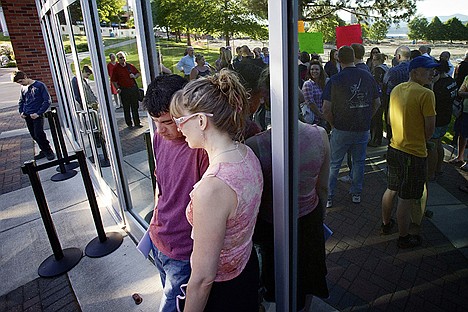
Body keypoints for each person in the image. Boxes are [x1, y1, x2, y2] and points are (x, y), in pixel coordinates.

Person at [169, 69, 263, 311]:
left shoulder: (212, 189)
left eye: (181, 120)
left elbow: (202, 280)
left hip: (224, 292)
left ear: (201, 121)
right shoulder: (246, 154)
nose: (179, 128)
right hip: (246, 269)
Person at [246, 68, 330, 312]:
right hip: (309, 218)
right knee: (308, 276)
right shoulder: (320, 135)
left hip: (272, 225)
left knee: (275, 278)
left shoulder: (255, 145)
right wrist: (319, 217)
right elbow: (323, 187)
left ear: (266, 98)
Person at [141, 74, 209, 312]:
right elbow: (161, 185)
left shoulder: (201, 148)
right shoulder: (159, 139)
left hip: (184, 251)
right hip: (158, 240)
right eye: (154, 121)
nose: (160, 130)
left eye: (168, 121)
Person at [380, 56, 438, 249]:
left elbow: (388, 118)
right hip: (414, 153)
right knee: (406, 197)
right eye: (428, 70)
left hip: (395, 148)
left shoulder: (397, 89)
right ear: (414, 72)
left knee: (391, 188)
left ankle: (386, 224)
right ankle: (403, 237)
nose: (432, 73)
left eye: (433, 70)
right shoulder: (426, 94)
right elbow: (429, 129)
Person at [322, 45, 381, 207]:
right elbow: (377, 102)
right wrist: (367, 118)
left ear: (338, 59)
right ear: (354, 57)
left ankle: (329, 196)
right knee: (359, 162)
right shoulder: (368, 77)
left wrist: (333, 124)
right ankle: (356, 192)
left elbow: (326, 109)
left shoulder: (334, 80)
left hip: (341, 128)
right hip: (362, 128)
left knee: (334, 164)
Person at [13, 71, 55, 161]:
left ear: (25, 77)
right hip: (27, 114)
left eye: (21, 81)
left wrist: (38, 113)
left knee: (39, 133)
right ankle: (43, 150)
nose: (21, 84)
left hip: (36, 115)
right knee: (34, 135)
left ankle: (48, 151)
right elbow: (22, 101)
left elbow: (47, 101)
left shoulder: (39, 85)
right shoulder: (23, 88)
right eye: (19, 83)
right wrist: (21, 112)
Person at [428, 60, 457, 180]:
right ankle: (439, 168)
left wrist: (432, 85)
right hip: (446, 117)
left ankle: (431, 173)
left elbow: (433, 101)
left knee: (433, 147)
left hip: (438, 118)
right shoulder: (452, 81)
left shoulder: (439, 86)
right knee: (439, 144)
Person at [383, 46, 411, 142]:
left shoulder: (393, 71)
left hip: (394, 102)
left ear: (398, 56)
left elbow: (385, 83)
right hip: (411, 101)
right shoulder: (415, 69)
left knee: (392, 129)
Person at [111, 51, 142, 128]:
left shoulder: (130, 66)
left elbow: (138, 73)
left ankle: (137, 123)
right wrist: (117, 89)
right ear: (118, 59)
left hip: (132, 89)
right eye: (120, 58)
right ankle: (129, 124)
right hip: (124, 90)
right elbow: (113, 80)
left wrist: (134, 76)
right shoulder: (116, 69)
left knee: (135, 107)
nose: (122, 59)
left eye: (123, 57)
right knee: (126, 108)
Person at [369, 53, 389, 147]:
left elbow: (376, 83)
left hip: (379, 96)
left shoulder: (378, 70)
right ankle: (377, 138)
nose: (372, 62)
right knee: (379, 119)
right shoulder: (386, 68)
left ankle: (376, 139)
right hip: (385, 95)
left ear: (378, 60)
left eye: (374, 60)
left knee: (376, 119)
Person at [449, 74, 468, 170]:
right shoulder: (467, 77)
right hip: (464, 110)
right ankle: (460, 157)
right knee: (461, 133)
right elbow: (460, 92)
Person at [301, 60, 327, 128]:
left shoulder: (322, 84)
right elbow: (310, 103)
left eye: (316, 69)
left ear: (320, 71)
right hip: (313, 120)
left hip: (322, 119)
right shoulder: (308, 84)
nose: (314, 71)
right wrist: (320, 115)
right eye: (312, 69)